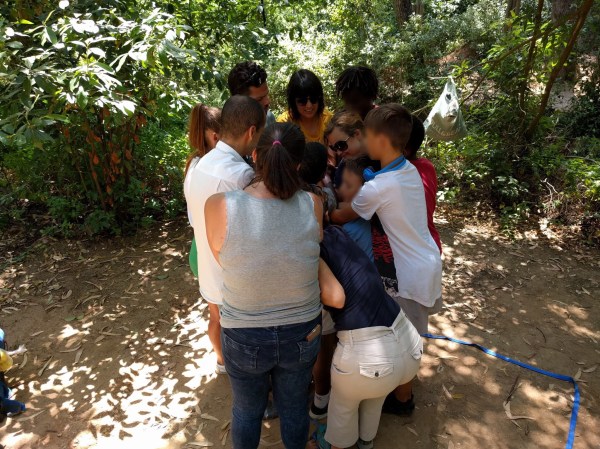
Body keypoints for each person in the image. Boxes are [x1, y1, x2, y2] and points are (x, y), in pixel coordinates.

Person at [204, 123, 341, 449]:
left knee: (246, 410)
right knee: (294, 408)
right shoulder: (313, 203)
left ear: (254, 156)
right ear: (299, 163)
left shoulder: (218, 205)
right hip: (302, 332)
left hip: (243, 333)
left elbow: (226, 260)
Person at [351, 104, 443, 415]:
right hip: (426, 261)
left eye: (366, 135)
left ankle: (403, 398)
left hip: (409, 274)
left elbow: (348, 212)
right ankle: (401, 389)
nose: (362, 140)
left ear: (380, 141)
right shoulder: (409, 170)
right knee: (409, 332)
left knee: (408, 337)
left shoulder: (378, 187)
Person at [316, 226, 422, 449]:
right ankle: (366, 440)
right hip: (408, 340)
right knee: (375, 395)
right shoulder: (337, 234)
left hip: (369, 356)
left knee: (343, 407)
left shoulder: (311, 251)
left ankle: (337, 443)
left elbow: (335, 297)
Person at [185, 96, 265, 374]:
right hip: (233, 279)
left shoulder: (201, 164)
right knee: (244, 340)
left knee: (218, 322)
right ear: (252, 131)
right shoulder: (240, 176)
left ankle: (224, 366)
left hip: (209, 269)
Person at [184, 103, 221, 278]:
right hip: (211, 255)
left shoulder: (193, 163)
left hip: (197, 249)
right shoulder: (216, 170)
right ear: (215, 137)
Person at [405, 115, 442, 253]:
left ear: (404, 150)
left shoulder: (398, 173)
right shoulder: (427, 165)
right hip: (431, 244)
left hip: (415, 251)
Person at [277, 69, 333, 147]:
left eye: (313, 99)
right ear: (293, 101)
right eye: (302, 101)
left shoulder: (329, 120)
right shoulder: (284, 123)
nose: (309, 105)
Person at [338, 157, 374, 261]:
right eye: (342, 182)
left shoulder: (349, 230)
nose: (342, 189)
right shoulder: (371, 216)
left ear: (364, 191)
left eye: (348, 186)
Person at [324, 111, 370, 191]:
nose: (338, 153)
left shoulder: (383, 159)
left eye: (341, 145)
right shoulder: (343, 167)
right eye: (334, 148)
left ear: (357, 134)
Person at [228, 61, 276, 126]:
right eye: (259, 99)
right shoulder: (225, 127)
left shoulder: (269, 118)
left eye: (266, 95)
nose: (267, 101)